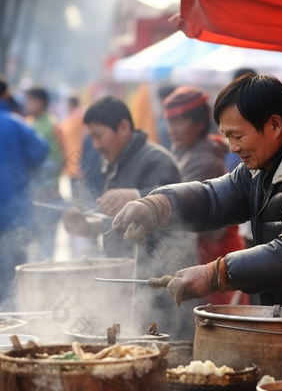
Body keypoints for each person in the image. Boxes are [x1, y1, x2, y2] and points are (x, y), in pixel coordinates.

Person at [111, 74, 282, 376]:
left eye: (238, 135)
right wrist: (159, 204)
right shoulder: (263, 165)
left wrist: (215, 274)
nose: (232, 147)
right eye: (227, 136)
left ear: (274, 125)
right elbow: (213, 197)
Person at [63, 96, 196, 338]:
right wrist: (86, 226)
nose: (95, 145)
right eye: (91, 137)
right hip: (128, 279)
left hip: (158, 279)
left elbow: (178, 208)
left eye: (98, 135)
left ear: (123, 127)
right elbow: (117, 222)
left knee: (160, 349)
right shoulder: (113, 162)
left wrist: (137, 196)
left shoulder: (156, 160)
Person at [163, 85, 247, 305]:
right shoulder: (187, 153)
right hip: (206, 257)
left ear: (199, 123)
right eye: (170, 122)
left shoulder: (205, 161)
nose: (172, 129)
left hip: (216, 257)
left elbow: (195, 217)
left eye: (179, 121)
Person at [0, 75, 48, 309]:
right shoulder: (17, 123)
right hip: (15, 217)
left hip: (12, 215)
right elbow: (40, 152)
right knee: (14, 279)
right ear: (5, 95)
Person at [25, 87, 64, 260]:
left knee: (47, 241)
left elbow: (58, 160)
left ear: (41, 102)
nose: (28, 104)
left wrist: (49, 185)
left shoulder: (52, 125)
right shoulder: (27, 122)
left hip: (47, 192)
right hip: (30, 193)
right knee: (31, 241)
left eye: (30, 100)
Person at [59, 91, 86, 195]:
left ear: (70, 104)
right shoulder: (78, 116)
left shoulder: (71, 119)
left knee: (79, 201)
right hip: (80, 164)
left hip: (75, 164)